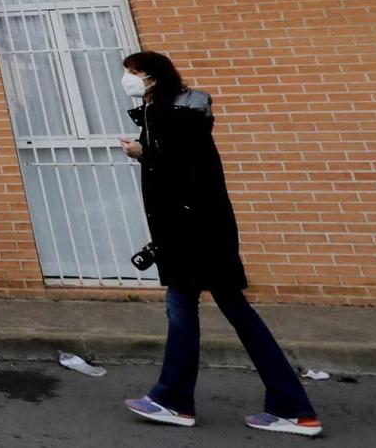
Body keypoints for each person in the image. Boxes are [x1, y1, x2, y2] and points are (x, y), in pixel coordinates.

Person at [120, 51, 322, 437]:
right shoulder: (172, 114)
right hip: (203, 231)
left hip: (190, 233)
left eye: (133, 73)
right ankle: (292, 407)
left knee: (185, 310)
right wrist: (148, 152)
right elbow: (185, 164)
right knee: (232, 312)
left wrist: (144, 153)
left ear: (154, 77)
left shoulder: (170, 115)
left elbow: (184, 169)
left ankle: (175, 401)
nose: (128, 80)